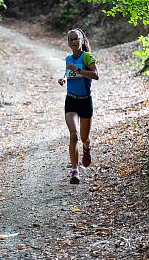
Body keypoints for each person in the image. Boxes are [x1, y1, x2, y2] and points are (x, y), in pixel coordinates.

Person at [58, 29, 99, 184]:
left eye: (76, 39)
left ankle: (87, 148)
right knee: (73, 135)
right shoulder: (68, 58)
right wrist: (63, 79)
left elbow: (96, 75)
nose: (74, 42)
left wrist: (80, 70)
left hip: (85, 101)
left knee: (84, 138)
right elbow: (68, 74)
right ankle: (75, 171)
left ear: (82, 40)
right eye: (71, 39)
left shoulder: (87, 57)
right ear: (68, 43)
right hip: (71, 100)